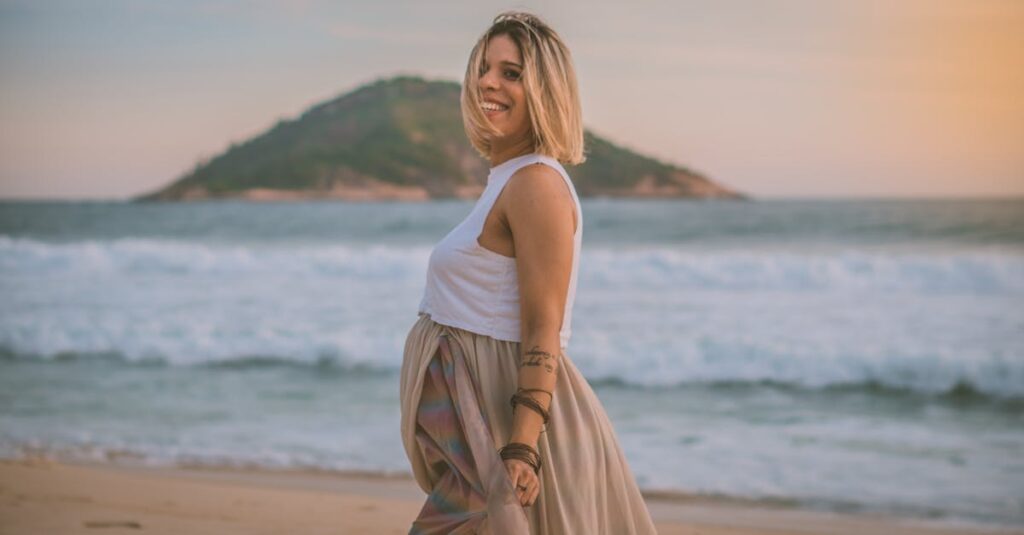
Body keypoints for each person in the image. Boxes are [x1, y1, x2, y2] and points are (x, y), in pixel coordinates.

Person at [399, 11, 658, 534]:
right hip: (479, 424)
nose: (488, 83)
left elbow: (544, 327)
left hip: (503, 423)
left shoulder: (537, 183)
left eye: (511, 73)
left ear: (545, 90)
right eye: (483, 68)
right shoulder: (508, 178)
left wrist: (521, 447)